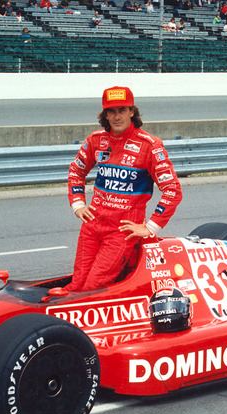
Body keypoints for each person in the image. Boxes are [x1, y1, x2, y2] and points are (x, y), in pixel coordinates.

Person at [66, 86, 182, 292]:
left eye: (122, 110)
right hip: (92, 226)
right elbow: (76, 170)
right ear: (105, 115)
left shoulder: (149, 145)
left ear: (132, 112)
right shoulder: (96, 140)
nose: (117, 116)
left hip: (122, 232)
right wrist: (78, 204)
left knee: (93, 287)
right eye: (111, 111)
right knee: (76, 286)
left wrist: (150, 228)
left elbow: (172, 190)